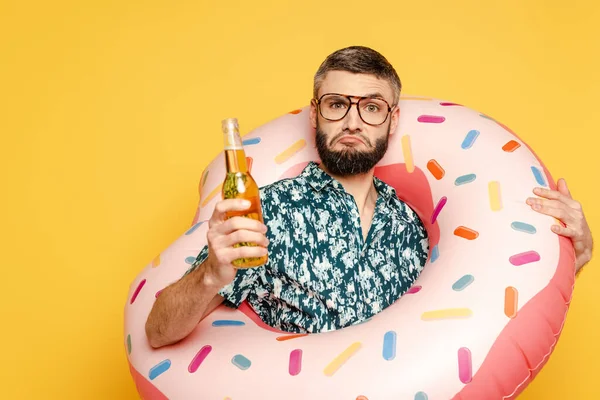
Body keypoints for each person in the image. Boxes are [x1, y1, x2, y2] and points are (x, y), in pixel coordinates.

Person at [145, 46, 594, 349]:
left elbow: (488, 307)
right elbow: (158, 332)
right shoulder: (267, 210)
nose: (352, 121)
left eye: (371, 106)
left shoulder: (415, 230)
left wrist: (568, 255)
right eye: (337, 104)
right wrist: (210, 273)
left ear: (392, 119)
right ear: (316, 113)